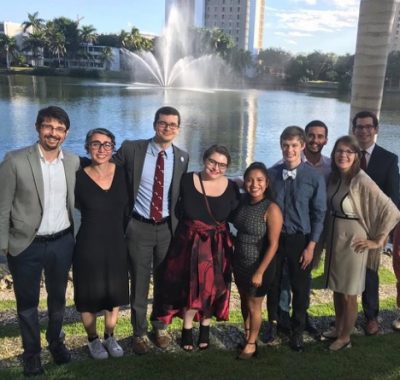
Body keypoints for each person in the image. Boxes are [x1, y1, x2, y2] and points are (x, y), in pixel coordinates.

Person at [0, 106, 79, 376]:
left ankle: (56, 341)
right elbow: (2, 207)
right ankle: (32, 352)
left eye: (59, 128)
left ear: (66, 134)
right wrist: (4, 245)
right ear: (38, 128)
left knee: (58, 299)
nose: (53, 133)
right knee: (27, 303)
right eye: (48, 126)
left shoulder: (73, 162)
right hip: (25, 245)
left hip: (62, 242)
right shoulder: (14, 160)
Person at [113, 106, 189, 354]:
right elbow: (104, 167)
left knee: (165, 281)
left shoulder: (182, 157)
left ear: (178, 129)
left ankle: (160, 327)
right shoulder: (132, 149)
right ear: (154, 124)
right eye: (163, 123)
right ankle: (139, 333)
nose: (167, 128)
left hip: (167, 228)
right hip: (138, 226)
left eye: (173, 125)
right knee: (139, 281)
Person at [157, 145, 240, 351]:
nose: (216, 167)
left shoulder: (231, 187)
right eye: (212, 161)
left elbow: (237, 216)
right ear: (204, 159)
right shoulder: (187, 180)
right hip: (189, 244)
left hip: (218, 245)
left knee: (213, 289)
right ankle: (186, 330)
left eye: (222, 165)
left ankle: (205, 329)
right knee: (190, 288)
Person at [323, 135, 400, 351]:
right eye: (339, 150)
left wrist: (378, 240)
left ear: (356, 156)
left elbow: (391, 209)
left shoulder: (361, 180)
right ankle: (338, 328)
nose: (343, 155)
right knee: (337, 288)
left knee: (349, 292)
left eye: (349, 151)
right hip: (335, 235)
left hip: (353, 238)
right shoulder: (335, 177)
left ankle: (345, 336)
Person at [267, 126, 326, 352]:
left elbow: (319, 214)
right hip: (274, 239)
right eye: (285, 145)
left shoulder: (314, 177)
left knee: (300, 287)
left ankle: (298, 330)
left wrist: (311, 246)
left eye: (294, 145)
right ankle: (274, 324)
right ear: (281, 145)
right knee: (273, 284)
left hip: (300, 240)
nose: (289, 150)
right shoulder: (272, 174)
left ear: (302, 146)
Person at [73, 128, 129, 360]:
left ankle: (110, 336)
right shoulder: (77, 177)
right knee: (87, 294)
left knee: (113, 293)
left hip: (117, 242)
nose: (101, 149)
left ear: (113, 148)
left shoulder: (124, 173)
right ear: (87, 147)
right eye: (95, 144)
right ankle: (93, 340)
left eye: (107, 144)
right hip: (88, 243)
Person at [352, 111, 399, 335]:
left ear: (376, 129)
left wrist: (385, 233)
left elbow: (393, 198)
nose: (364, 131)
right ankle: (346, 315)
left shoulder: (389, 159)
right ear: (354, 130)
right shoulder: (345, 155)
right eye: (359, 127)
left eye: (368, 127)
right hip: (347, 224)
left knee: (370, 272)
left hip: (374, 228)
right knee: (345, 272)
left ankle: (371, 316)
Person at [233, 162, 283, 359]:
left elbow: (273, 244)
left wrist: (260, 271)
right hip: (240, 262)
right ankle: (247, 334)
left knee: (255, 305)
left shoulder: (271, 209)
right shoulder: (243, 201)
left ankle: (252, 343)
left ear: (267, 183)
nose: (254, 184)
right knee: (244, 301)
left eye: (259, 180)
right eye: (250, 180)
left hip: (259, 265)